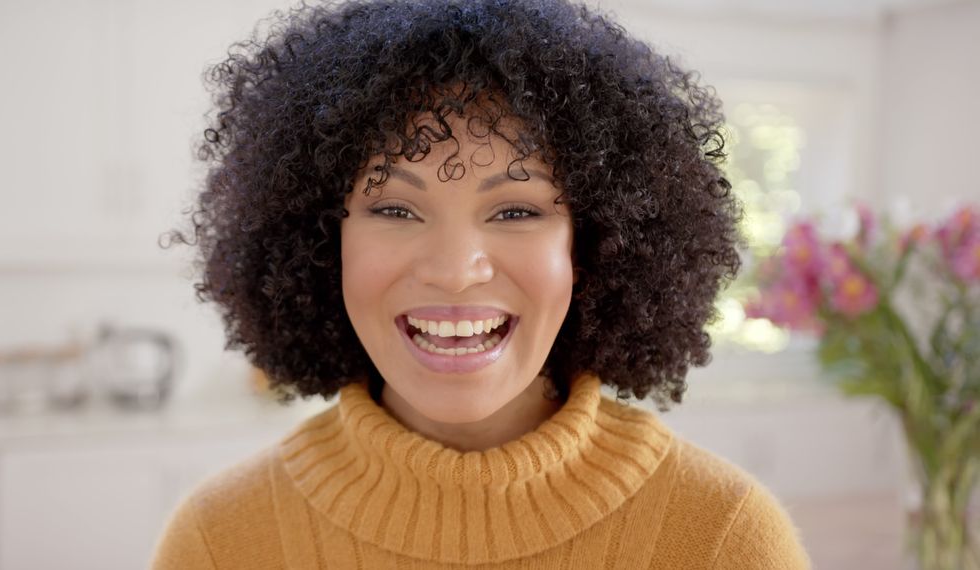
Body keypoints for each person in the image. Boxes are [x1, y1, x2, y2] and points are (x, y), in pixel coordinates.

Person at [152, 0, 812, 567]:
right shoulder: (221, 542)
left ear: (595, 246)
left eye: (517, 211)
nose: (454, 267)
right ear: (321, 241)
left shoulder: (723, 539)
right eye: (395, 210)